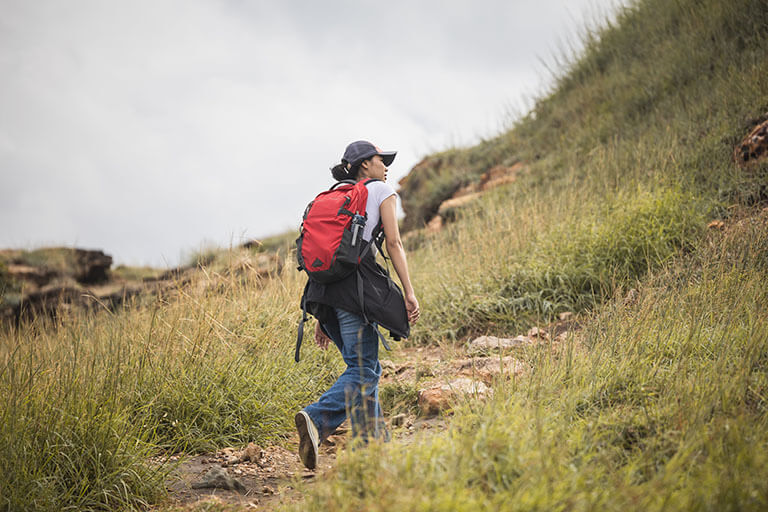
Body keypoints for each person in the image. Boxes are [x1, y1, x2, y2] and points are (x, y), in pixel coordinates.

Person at [295, 140, 420, 470]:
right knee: (364, 371)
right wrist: (408, 291)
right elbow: (393, 242)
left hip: (322, 295)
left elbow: (328, 255)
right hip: (354, 293)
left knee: (365, 369)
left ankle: (373, 448)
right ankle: (316, 418)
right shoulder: (379, 189)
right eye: (381, 160)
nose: (386, 166)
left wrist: (322, 317)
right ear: (365, 164)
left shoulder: (332, 197)